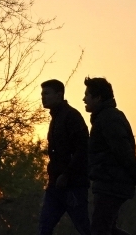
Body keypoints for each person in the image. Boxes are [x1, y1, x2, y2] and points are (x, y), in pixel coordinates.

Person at [83, 77, 136, 235]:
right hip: (109, 182)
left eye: (87, 95)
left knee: (100, 229)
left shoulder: (108, 118)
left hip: (111, 183)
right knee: (107, 228)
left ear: (98, 98)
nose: (84, 99)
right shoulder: (106, 117)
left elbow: (122, 150)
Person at [38, 79, 91, 235]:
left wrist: (67, 174)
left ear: (59, 95)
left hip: (73, 186)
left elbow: (82, 150)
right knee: (44, 227)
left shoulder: (71, 117)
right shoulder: (56, 118)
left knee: (84, 228)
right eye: (42, 94)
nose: (43, 97)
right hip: (56, 185)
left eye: (46, 93)